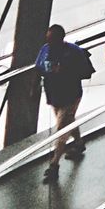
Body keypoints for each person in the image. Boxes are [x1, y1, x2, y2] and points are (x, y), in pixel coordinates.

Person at [36, 24, 94, 181]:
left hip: (70, 95)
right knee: (67, 121)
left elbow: (83, 70)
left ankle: (54, 165)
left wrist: (64, 70)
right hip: (55, 95)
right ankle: (79, 142)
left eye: (52, 39)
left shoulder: (72, 52)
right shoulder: (46, 49)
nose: (50, 42)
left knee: (61, 129)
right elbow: (39, 66)